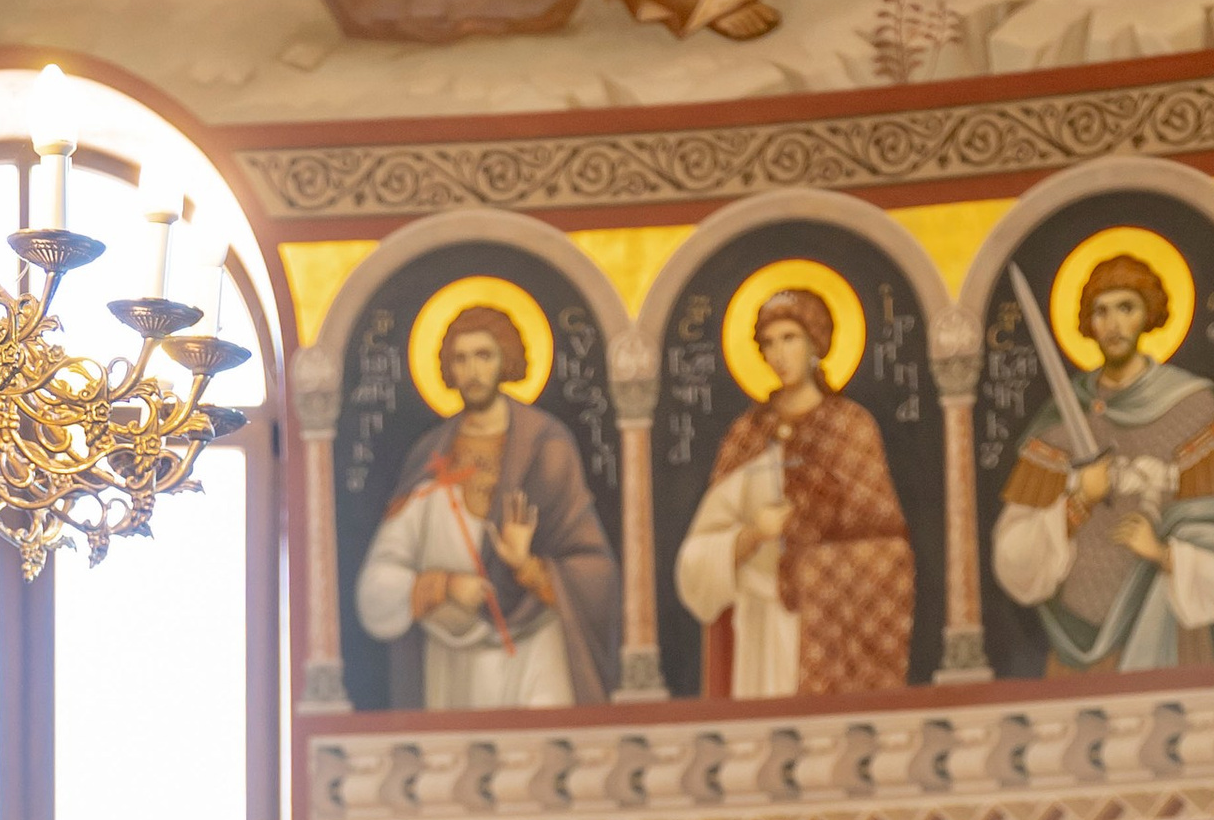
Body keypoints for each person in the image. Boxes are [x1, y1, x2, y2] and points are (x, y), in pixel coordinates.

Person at [990, 252, 1214, 672]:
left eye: (1126, 308)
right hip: (1077, 641)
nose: (1113, 324)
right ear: (1088, 323)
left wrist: (1161, 553)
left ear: (1148, 314)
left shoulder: (1191, 409)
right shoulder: (1059, 421)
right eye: (1101, 312)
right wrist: (1076, 503)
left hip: (1168, 635)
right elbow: (1012, 558)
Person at [354, 306, 621, 709]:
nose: (473, 371)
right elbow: (376, 585)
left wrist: (528, 566)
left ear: (506, 359)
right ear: (449, 369)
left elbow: (597, 573)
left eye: (484, 355)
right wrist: (442, 586)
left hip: (535, 655)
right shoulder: (431, 458)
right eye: (461, 359)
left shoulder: (547, 446)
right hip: (453, 666)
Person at [675, 286, 915, 700]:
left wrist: (814, 567)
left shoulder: (851, 428)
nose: (778, 354)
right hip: (759, 629)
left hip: (833, 632)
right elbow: (695, 558)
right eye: (768, 343)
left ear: (815, 343)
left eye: (790, 338)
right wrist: (752, 536)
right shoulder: (747, 436)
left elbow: (888, 546)